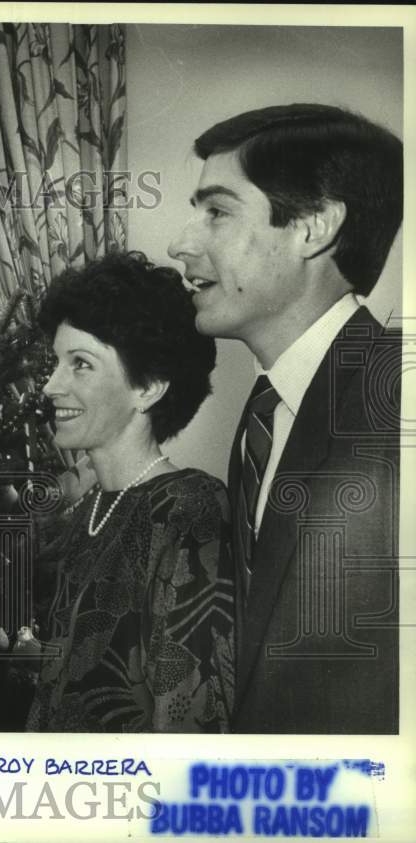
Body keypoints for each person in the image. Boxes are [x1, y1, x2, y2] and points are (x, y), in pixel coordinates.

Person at [168, 104, 401, 733]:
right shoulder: (267, 412)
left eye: (216, 211)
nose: (180, 244)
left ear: (313, 228)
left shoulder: (397, 416)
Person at [23, 251, 234, 733]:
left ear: (150, 387)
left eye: (80, 364)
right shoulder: (91, 511)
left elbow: (190, 721)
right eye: (56, 362)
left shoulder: (187, 510)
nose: (51, 386)